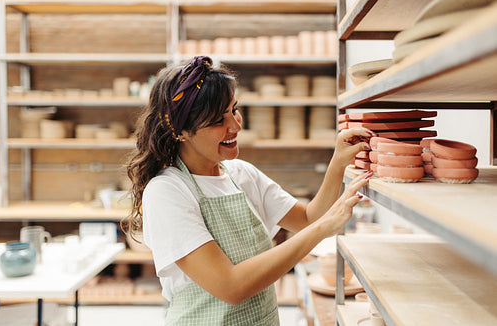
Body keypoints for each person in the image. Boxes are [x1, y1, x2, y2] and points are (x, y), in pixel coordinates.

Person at [124, 56, 374, 325]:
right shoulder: (167, 192)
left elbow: (307, 219)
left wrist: (338, 163)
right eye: (218, 120)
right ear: (182, 131)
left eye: (234, 109)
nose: (236, 125)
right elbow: (231, 286)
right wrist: (323, 229)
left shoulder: (242, 174)